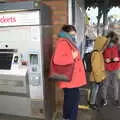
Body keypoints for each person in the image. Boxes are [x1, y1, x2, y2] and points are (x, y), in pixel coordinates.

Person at [50, 25, 86, 120]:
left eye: (75, 34)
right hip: (70, 79)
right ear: (67, 33)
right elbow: (57, 60)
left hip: (71, 79)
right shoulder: (63, 42)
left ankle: (66, 117)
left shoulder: (68, 42)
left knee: (69, 99)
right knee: (73, 101)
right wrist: (72, 56)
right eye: (72, 34)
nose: (74, 36)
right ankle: (70, 118)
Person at [89, 36, 109, 110]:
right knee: (95, 90)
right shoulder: (97, 54)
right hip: (96, 77)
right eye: (104, 45)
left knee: (94, 89)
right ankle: (92, 103)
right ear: (100, 44)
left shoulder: (99, 52)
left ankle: (91, 101)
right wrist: (98, 80)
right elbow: (96, 69)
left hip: (97, 76)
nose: (105, 47)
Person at [102, 31, 120, 106]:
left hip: (116, 68)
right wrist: (104, 60)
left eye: (113, 42)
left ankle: (116, 99)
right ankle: (103, 99)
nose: (111, 44)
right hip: (107, 68)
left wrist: (118, 59)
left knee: (115, 85)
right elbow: (100, 55)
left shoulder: (118, 47)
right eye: (110, 41)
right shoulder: (105, 47)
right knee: (105, 84)